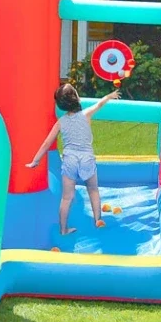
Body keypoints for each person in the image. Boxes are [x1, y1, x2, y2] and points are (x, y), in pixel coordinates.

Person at [26, 84, 121, 235]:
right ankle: (98, 220)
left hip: (70, 160)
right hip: (86, 158)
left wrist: (35, 160)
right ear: (76, 97)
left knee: (66, 198)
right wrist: (110, 96)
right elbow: (100, 104)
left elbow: (47, 142)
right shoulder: (86, 114)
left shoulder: (61, 122)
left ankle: (63, 229)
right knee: (93, 190)